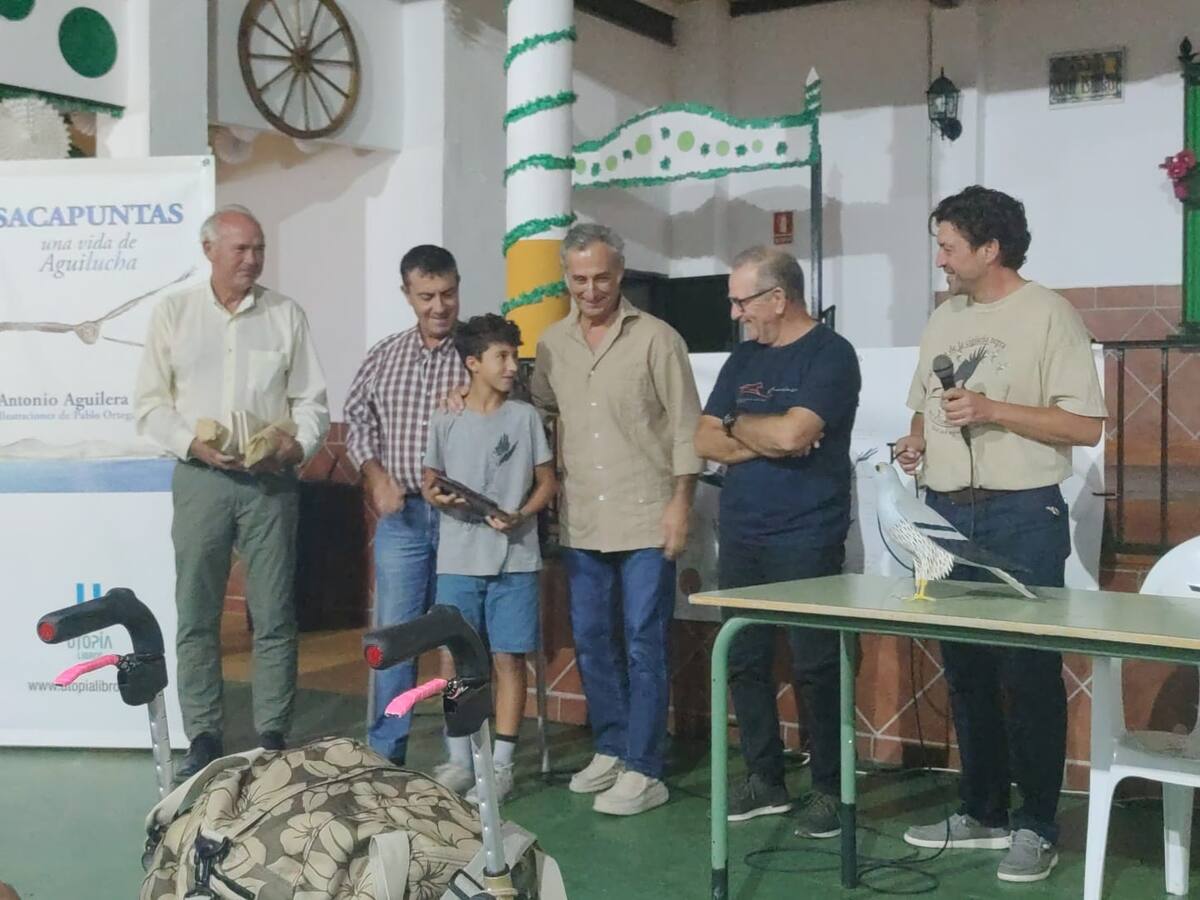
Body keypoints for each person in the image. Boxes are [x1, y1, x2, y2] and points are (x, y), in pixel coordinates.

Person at [895, 186, 1105, 883]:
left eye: (950, 246)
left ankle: (1037, 823)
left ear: (990, 249)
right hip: (945, 516)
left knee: (1028, 673)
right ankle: (981, 810)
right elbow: (923, 405)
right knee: (966, 672)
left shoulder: (1051, 315)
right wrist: (916, 441)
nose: (940, 259)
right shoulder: (943, 317)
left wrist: (993, 408)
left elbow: (1084, 427)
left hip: (1022, 515)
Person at [134, 205, 330, 778]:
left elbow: (312, 402)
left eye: (259, 248)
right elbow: (149, 403)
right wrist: (191, 445)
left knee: (274, 614)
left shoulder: (285, 315)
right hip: (200, 480)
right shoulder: (174, 313)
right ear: (209, 250)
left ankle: (272, 732)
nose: (253, 259)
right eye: (241, 249)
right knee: (196, 613)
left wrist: (298, 447)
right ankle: (203, 733)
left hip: (270, 484)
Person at [530, 222, 702, 816]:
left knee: (643, 642)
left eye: (602, 277)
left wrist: (681, 503)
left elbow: (686, 427)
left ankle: (645, 766)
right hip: (581, 520)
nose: (591, 289)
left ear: (621, 274)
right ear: (566, 279)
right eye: (579, 279)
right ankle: (610, 746)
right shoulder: (552, 345)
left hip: (646, 515)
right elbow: (540, 413)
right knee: (594, 641)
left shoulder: (658, 339)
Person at [693, 246, 860, 837]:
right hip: (743, 531)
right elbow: (706, 439)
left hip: (807, 533)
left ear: (777, 299)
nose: (737, 313)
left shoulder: (831, 357)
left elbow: (797, 434)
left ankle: (832, 791)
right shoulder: (742, 360)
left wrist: (751, 428)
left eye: (742, 301)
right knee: (744, 656)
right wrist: (758, 432)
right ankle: (765, 778)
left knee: (817, 663)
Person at [421, 314, 557, 800]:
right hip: (458, 558)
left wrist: (523, 514)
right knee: (457, 660)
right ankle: (459, 756)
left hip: (516, 559)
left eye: (514, 357)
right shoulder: (445, 417)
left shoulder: (525, 417)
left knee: (508, 659)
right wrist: (440, 499)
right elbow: (430, 481)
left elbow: (547, 482)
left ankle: (501, 766)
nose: (511, 366)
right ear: (472, 363)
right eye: (501, 356)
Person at [344, 244, 467, 764]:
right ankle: (384, 752)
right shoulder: (384, 355)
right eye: (426, 296)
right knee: (395, 640)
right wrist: (375, 476)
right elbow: (357, 420)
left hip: (464, 520)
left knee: (463, 638)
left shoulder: (479, 354)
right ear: (407, 295)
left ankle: (464, 756)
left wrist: (480, 400)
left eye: (448, 294)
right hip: (403, 520)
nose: (439, 306)